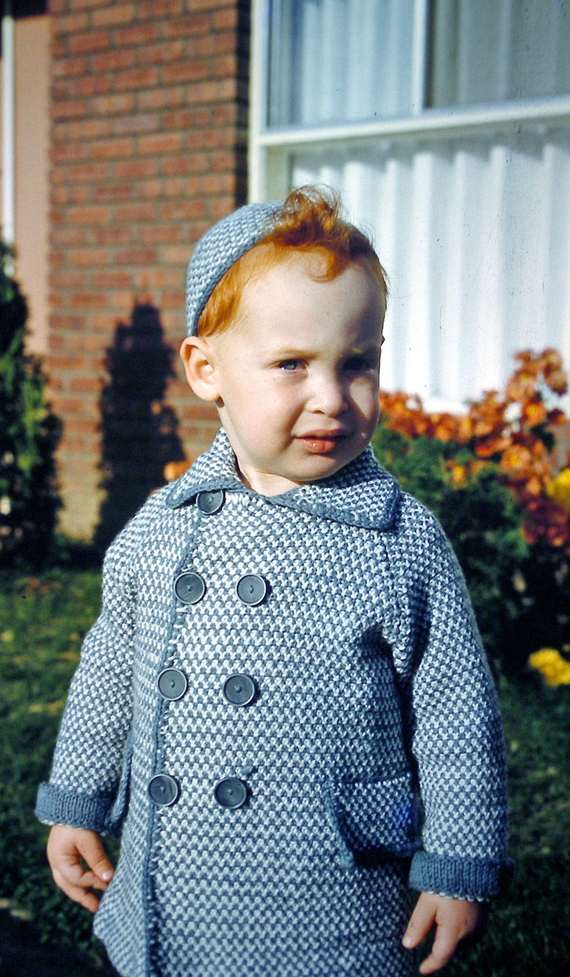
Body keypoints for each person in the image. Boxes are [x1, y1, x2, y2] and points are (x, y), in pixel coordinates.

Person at [36, 187, 511, 977]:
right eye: (292, 364)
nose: (331, 398)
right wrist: (77, 800)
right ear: (206, 370)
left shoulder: (400, 539)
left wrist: (459, 864)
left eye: (357, 364)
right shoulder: (159, 529)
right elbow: (109, 670)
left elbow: (457, 716)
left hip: (338, 894)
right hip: (174, 886)